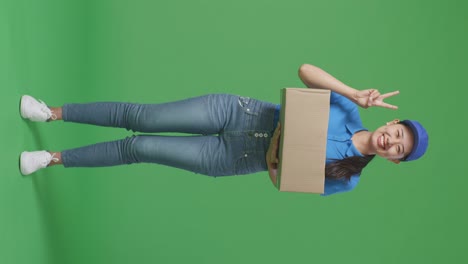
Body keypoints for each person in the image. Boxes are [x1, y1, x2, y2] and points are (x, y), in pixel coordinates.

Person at [19, 64, 429, 196]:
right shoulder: (347, 109)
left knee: (139, 148)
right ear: (391, 123)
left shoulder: (349, 177)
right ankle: (50, 113)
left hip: (234, 159)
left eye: (400, 150)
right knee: (141, 116)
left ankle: (52, 159)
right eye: (398, 134)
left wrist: (274, 158)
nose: (392, 143)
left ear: (395, 161)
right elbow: (305, 71)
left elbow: (282, 181)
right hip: (238, 114)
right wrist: (354, 93)